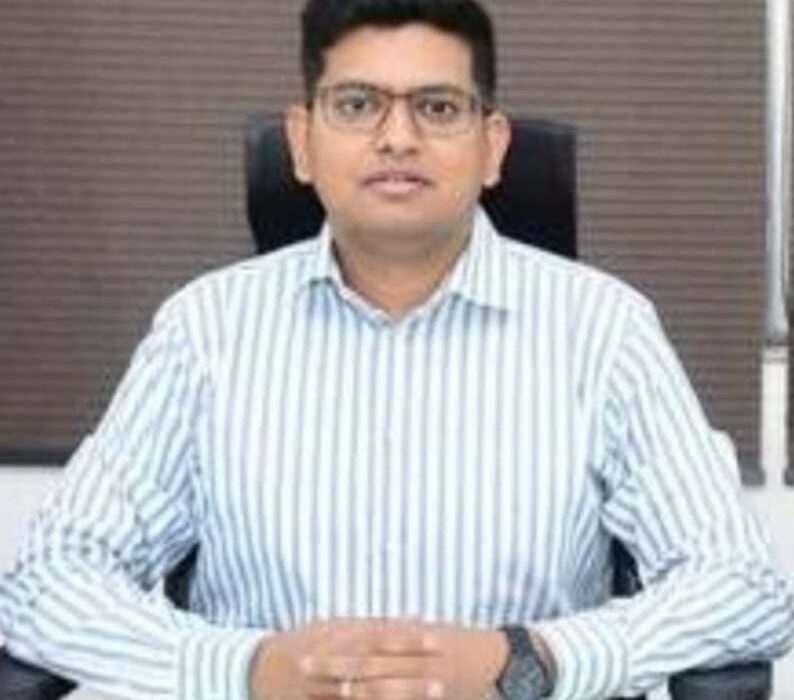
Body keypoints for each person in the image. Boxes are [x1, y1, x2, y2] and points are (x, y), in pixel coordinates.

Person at [1, 0, 792, 699]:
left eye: (438, 107)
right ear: (301, 141)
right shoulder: (205, 330)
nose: (398, 137)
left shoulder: (604, 330)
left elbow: (744, 586)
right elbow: (45, 580)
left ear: (492, 146)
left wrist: (530, 660)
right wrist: (246, 669)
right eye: (357, 104)